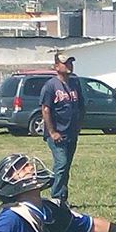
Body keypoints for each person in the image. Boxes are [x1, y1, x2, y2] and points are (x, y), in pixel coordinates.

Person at [40, 53, 85, 202]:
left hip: (71, 133)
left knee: (66, 167)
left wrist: (78, 126)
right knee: (61, 163)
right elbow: (45, 110)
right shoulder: (50, 86)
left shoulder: (75, 84)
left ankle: (63, 198)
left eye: (71, 62)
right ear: (56, 66)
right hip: (57, 133)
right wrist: (52, 132)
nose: (69, 65)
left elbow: (81, 107)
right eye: (65, 63)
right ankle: (56, 198)